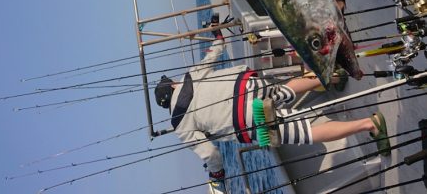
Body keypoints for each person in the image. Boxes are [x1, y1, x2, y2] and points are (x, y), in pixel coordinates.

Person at [154, 29, 390, 184]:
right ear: (172, 87)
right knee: (285, 90)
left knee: (306, 132)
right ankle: (333, 76)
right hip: (250, 84)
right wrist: (218, 37)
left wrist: (217, 173)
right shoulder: (189, 77)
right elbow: (215, 52)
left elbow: (211, 154)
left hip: (250, 118)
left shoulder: (180, 126)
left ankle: (370, 124)